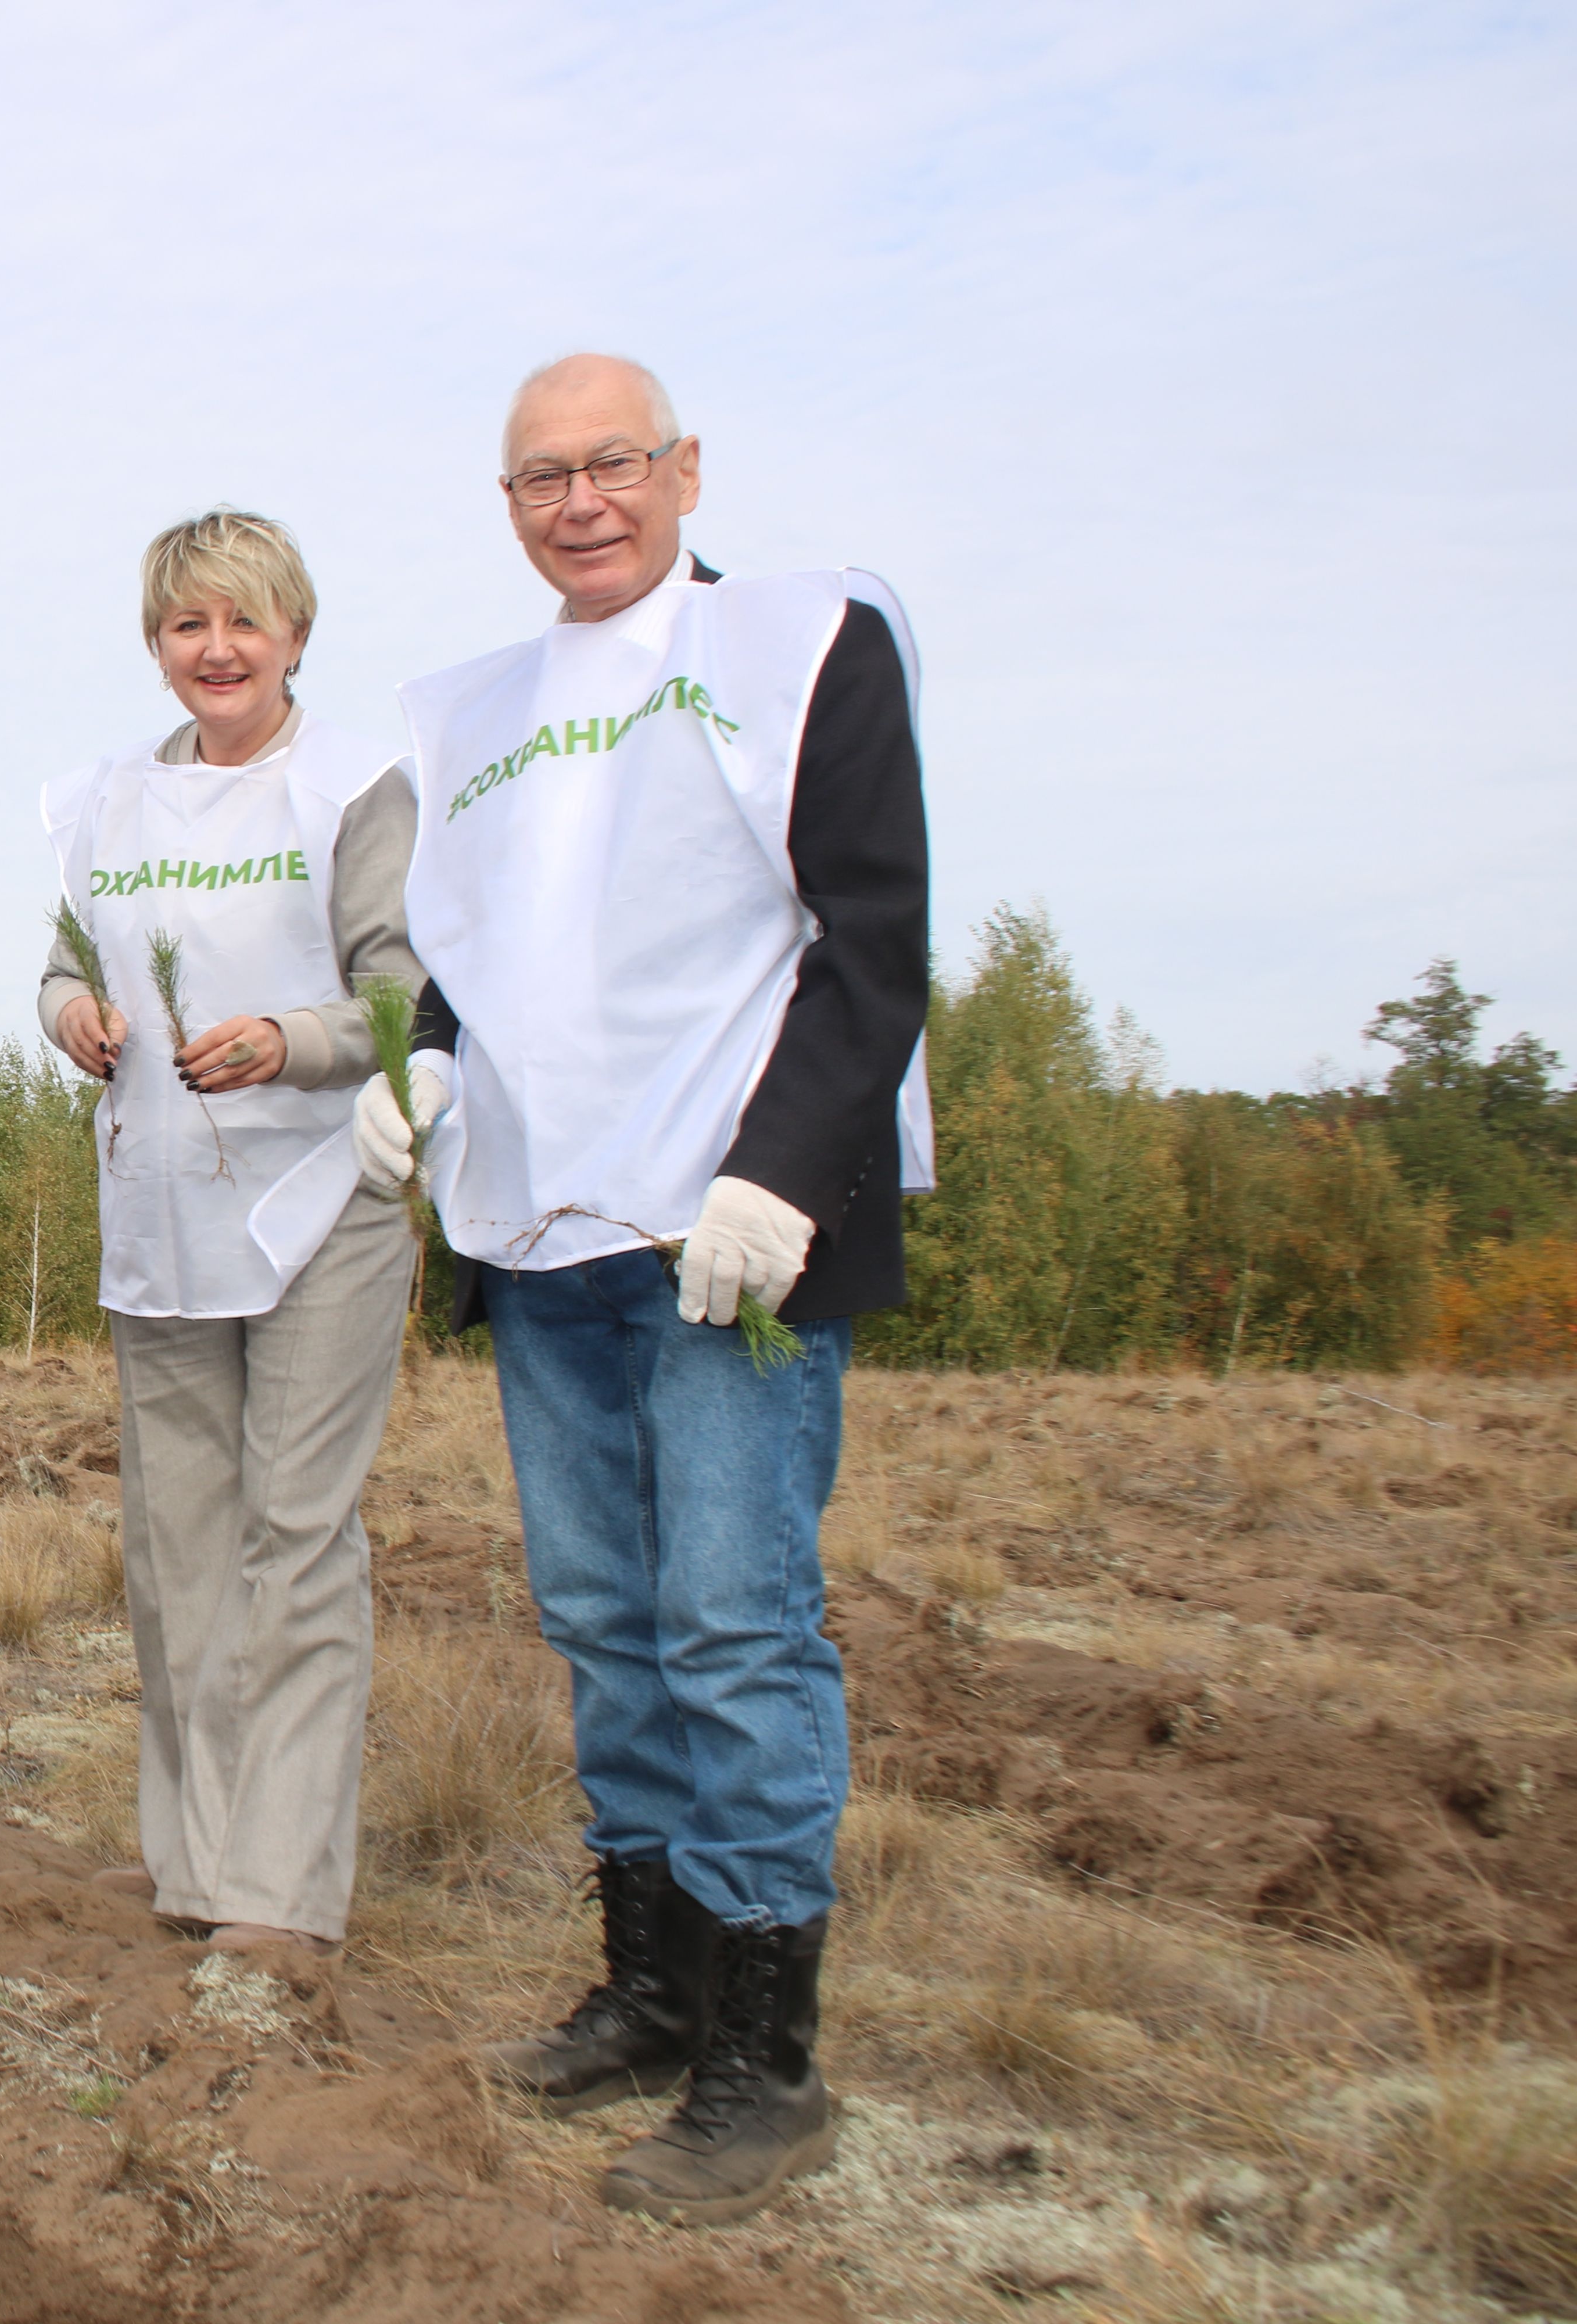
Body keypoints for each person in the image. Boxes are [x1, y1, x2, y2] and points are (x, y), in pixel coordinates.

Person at [356, 355, 929, 2223]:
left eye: (614, 465)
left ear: (685, 470)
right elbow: (469, 954)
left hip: (726, 1246)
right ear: (505, 502)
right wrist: (427, 1067)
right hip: (542, 1244)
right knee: (606, 1620)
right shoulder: (477, 716)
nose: (580, 501)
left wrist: (786, 1177)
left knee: (735, 1625)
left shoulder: (800, 646)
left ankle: (770, 2060)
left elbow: (874, 936)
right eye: (541, 477)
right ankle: (657, 1993)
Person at [38, 510, 424, 1968]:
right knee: (175, 1543)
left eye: (244, 623)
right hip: (161, 1208)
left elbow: (402, 995)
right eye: (189, 626)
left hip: (324, 1193)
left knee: (296, 1534)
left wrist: (297, 1041)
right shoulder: (104, 804)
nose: (218, 650)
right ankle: (193, 1863)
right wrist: (69, 1015)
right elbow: (63, 958)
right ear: (158, 644)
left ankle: (279, 1895)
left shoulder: (354, 790)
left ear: (295, 637)